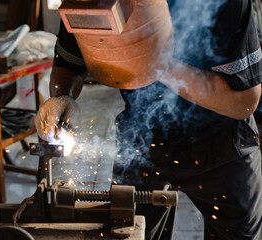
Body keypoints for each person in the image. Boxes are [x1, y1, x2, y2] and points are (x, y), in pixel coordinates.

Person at [34, 0, 262, 239]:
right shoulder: (86, 2)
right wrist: (63, 96)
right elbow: (68, 65)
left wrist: (154, 62)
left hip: (221, 146)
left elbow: (244, 102)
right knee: (125, 231)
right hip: (142, 142)